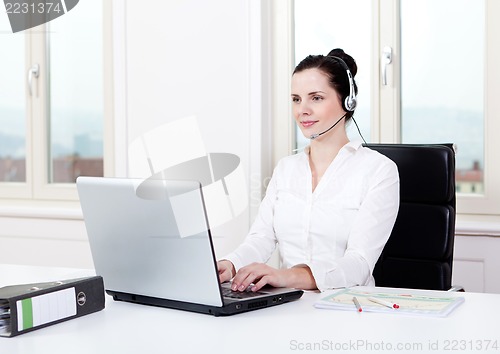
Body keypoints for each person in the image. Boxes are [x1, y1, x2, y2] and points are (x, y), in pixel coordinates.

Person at [217, 48, 399, 292]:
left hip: (347, 308)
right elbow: (261, 238)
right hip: (288, 305)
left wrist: (288, 276)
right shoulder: (286, 169)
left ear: (348, 102)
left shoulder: (379, 171)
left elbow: (359, 263)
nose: (302, 110)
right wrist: (231, 263)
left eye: (316, 98)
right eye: (296, 99)